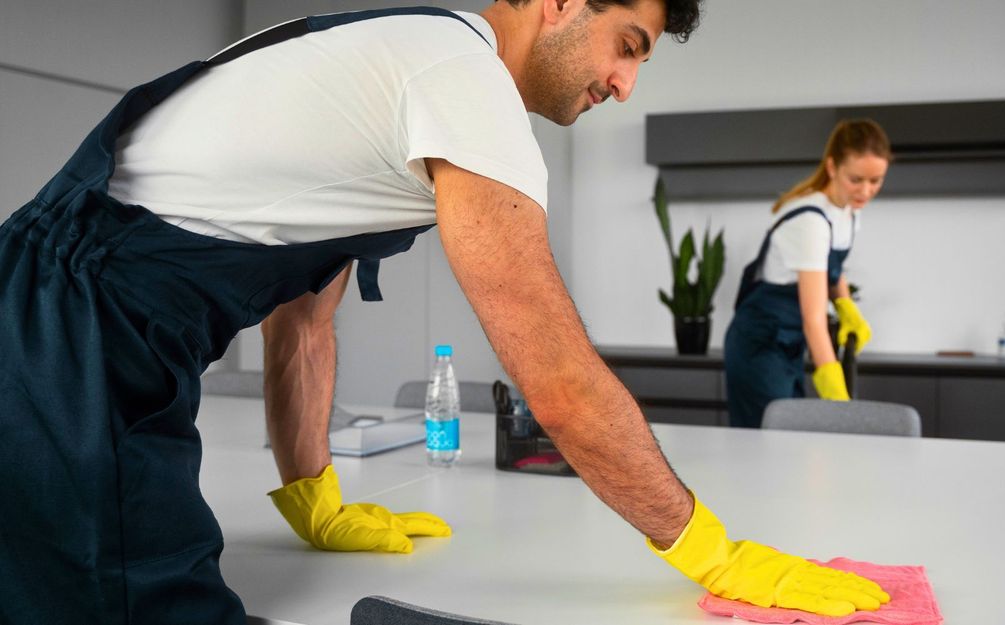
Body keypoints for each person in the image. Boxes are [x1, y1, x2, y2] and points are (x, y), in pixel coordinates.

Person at [0, 2, 890, 623]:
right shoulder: (465, 86)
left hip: (54, 316)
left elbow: (303, 321)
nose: (625, 83)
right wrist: (712, 552)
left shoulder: (404, 58)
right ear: (560, 2)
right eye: (627, 44)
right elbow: (559, 382)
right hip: (70, 340)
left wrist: (314, 498)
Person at [724, 119, 891, 428]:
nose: (866, 191)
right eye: (856, 179)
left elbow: (831, 270)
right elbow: (814, 318)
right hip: (759, 346)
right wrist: (836, 394)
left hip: (789, 342)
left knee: (789, 440)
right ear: (832, 167)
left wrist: (845, 306)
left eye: (876, 180)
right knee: (765, 445)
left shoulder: (847, 212)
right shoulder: (810, 221)